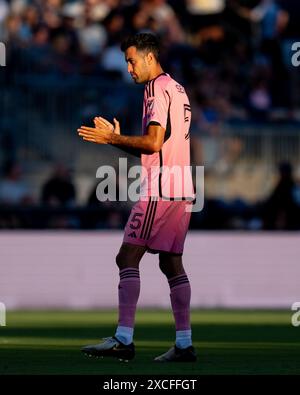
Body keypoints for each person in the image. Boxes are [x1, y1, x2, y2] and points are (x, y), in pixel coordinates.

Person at [78, 33, 196, 362]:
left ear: (148, 58)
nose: (128, 68)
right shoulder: (178, 88)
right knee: (171, 262)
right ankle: (185, 344)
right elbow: (162, 146)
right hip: (182, 187)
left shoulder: (156, 88)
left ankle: (123, 339)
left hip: (161, 189)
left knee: (126, 258)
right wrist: (119, 140)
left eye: (131, 61)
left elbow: (154, 142)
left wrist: (113, 138)